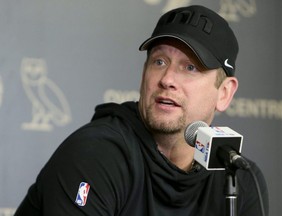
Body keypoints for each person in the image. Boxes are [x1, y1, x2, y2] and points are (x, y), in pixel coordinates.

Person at [15, 5, 269, 216]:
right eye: (159, 61)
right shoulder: (96, 154)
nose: (167, 78)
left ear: (224, 93)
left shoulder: (238, 178)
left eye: (190, 67)